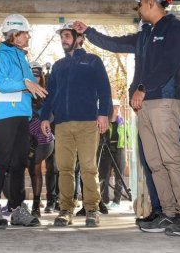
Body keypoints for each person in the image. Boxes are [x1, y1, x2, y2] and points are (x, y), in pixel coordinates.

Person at [74, 0, 180, 236]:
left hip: (164, 100)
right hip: (146, 106)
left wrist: (144, 87)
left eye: (140, 3)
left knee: (171, 158)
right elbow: (115, 43)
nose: (139, 8)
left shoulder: (174, 28)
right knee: (154, 162)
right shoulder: (145, 34)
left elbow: (170, 64)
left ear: (152, 1)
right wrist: (90, 32)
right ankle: (167, 213)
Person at [40, 21, 111, 227]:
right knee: (64, 168)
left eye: (68, 36)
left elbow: (104, 90)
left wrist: (103, 114)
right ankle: (65, 210)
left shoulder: (92, 61)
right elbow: (51, 94)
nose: (64, 40)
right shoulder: (58, 66)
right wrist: (45, 116)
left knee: (88, 167)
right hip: (62, 124)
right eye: (62, 36)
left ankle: (91, 210)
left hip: (88, 123)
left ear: (79, 38)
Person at [0, 14, 47, 229]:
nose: (29, 36)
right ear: (15, 35)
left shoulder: (21, 56)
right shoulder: (3, 53)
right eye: (26, 33)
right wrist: (26, 83)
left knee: (20, 162)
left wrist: (31, 89)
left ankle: (18, 208)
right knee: (1, 161)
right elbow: (1, 83)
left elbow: (25, 86)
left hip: (21, 115)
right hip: (5, 115)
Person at [28, 61, 54, 218]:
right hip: (23, 136)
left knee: (36, 169)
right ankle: (15, 204)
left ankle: (36, 205)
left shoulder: (46, 94)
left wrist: (40, 117)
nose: (35, 78)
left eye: (38, 74)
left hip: (42, 138)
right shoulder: (22, 91)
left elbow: (51, 114)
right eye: (32, 74)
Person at [100, 99, 128, 209]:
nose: (117, 109)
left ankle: (117, 201)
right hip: (106, 150)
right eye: (115, 107)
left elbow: (128, 137)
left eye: (118, 107)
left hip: (119, 149)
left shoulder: (123, 123)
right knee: (104, 176)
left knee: (119, 176)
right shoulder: (104, 122)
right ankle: (105, 200)